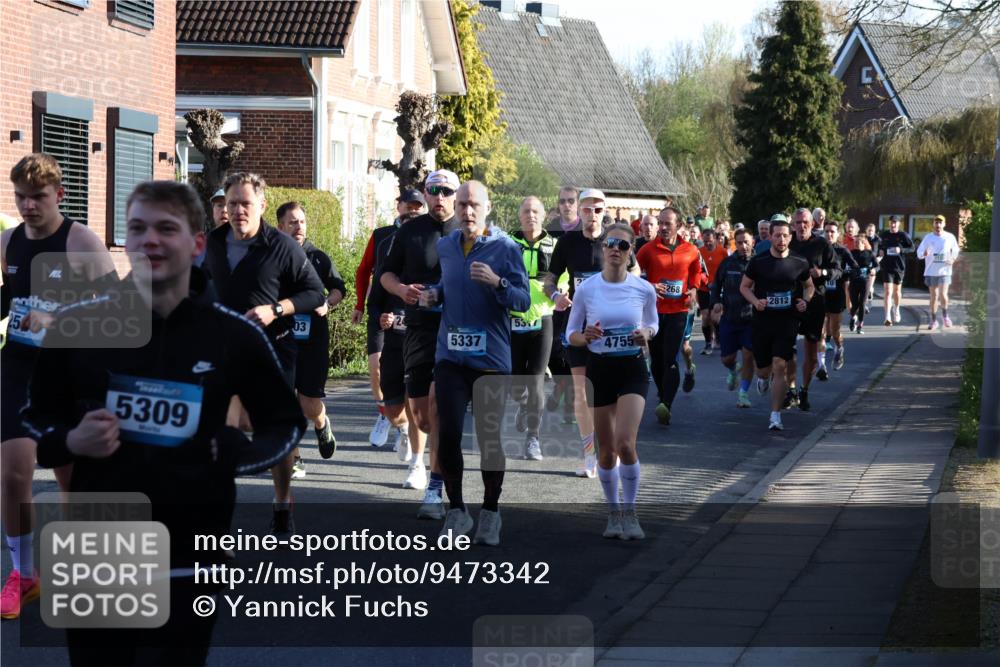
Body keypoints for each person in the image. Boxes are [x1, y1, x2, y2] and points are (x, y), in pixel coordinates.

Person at [23, 180, 305, 664]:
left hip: (190, 547)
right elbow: (36, 417)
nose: (150, 240)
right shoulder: (77, 326)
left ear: (197, 244)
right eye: (137, 228)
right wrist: (71, 440)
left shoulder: (232, 335)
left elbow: (285, 424)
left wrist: (233, 451)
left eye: (166, 229)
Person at [1, 153, 116, 619]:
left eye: (38, 198)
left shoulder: (81, 241)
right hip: (19, 367)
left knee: (72, 478)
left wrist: (61, 317)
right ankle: (24, 574)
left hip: (70, 370)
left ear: (59, 195)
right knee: (12, 473)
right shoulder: (8, 242)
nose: (28, 206)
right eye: (21, 198)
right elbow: (7, 299)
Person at [202, 172, 325, 537]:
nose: (237, 211)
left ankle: (282, 503)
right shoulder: (211, 243)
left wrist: (277, 309)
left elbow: (315, 293)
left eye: (245, 204)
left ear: (262, 205)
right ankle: (217, 518)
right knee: (225, 428)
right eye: (231, 204)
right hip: (225, 350)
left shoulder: (282, 246)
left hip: (273, 348)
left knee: (274, 430)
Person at [425, 181, 530, 546]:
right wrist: (434, 294)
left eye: (474, 205)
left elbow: (522, 300)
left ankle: (490, 511)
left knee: (488, 439)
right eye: (462, 204)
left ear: (488, 208)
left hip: (490, 360)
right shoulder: (446, 246)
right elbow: (447, 285)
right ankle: (457, 509)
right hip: (451, 356)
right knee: (448, 432)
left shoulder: (506, 248)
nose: (467, 212)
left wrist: (498, 282)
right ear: (455, 208)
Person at [568, 224, 657, 540]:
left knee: (625, 444)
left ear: (631, 251)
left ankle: (630, 512)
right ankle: (614, 512)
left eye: (622, 244)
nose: (615, 249)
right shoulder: (587, 289)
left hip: (632, 368)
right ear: (603, 248)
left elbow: (653, 324)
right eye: (610, 243)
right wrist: (585, 336)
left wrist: (646, 333)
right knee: (606, 453)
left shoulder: (644, 289)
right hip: (600, 368)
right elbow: (571, 333)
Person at [381, 170, 460, 519]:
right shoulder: (410, 231)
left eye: (446, 191)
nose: (440, 197)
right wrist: (401, 290)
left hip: (454, 331)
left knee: (440, 410)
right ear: (426, 194)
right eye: (434, 190)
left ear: (455, 196)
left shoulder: (466, 231)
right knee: (423, 418)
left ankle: (435, 489)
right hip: (418, 329)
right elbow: (386, 274)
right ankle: (428, 462)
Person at [545, 188, 623, 477]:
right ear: (579, 211)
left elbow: (635, 274)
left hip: (610, 328)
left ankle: (609, 449)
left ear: (605, 212)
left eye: (598, 210)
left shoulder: (616, 241)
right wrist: (556, 297)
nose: (592, 215)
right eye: (587, 209)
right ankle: (589, 454)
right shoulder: (568, 242)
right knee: (581, 394)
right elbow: (549, 280)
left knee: (607, 393)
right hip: (577, 326)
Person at [275, 201, 347, 476]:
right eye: (293, 222)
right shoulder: (272, 257)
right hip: (281, 338)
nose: (299, 227)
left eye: (302, 221)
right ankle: (294, 458)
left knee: (308, 404)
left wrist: (328, 303)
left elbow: (338, 288)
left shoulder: (318, 257)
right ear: (280, 226)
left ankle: (321, 422)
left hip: (313, 340)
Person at [353, 189, 426, 447]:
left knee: (409, 376)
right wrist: (360, 305)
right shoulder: (382, 236)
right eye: (409, 205)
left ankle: (404, 426)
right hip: (382, 307)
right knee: (376, 368)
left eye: (418, 206)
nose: (413, 209)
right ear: (399, 206)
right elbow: (364, 270)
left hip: (411, 315)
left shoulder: (428, 237)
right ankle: (384, 412)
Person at [740, 218, 814, 431]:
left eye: (785, 235)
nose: (781, 239)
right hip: (763, 321)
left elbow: (809, 286)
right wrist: (756, 302)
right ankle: (763, 379)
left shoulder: (799, 261)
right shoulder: (759, 261)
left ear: (790, 237)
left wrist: (805, 301)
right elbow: (744, 287)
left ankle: (775, 416)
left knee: (780, 365)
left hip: (787, 320)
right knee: (763, 370)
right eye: (777, 235)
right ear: (770, 237)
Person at [636, 206, 704, 426]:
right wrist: (650, 285)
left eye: (668, 223)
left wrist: (693, 288)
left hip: (679, 311)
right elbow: (633, 275)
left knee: (670, 358)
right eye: (661, 223)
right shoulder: (648, 249)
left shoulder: (690, 250)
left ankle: (666, 404)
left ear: (679, 225)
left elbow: (696, 271)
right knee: (656, 360)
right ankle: (664, 393)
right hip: (654, 312)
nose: (663, 227)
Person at [510, 196, 556, 461]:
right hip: (512, 318)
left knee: (536, 379)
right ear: (520, 215)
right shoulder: (507, 243)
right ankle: (523, 403)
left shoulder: (554, 245)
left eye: (536, 211)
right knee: (516, 384)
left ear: (544, 215)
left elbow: (562, 276)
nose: (531, 215)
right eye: (526, 211)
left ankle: (533, 438)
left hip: (542, 318)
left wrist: (561, 292)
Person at [786, 207, 841, 412]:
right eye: (798, 223)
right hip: (790, 302)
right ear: (793, 224)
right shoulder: (786, 242)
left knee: (810, 352)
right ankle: (791, 390)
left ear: (813, 224)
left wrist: (822, 272)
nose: (801, 226)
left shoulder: (822, 244)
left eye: (805, 223)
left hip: (815, 302)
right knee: (787, 349)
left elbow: (837, 270)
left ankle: (804, 390)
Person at [711, 227, 756, 407]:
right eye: (739, 243)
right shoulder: (728, 263)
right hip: (729, 317)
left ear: (753, 242)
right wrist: (716, 302)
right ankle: (733, 369)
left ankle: (743, 394)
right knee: (726, 359)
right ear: (734, 244)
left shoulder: (759, 263)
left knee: (748, 355)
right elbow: (716, 285)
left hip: (751, 319)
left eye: (746, 242)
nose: (743, 246)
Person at [819, 222, 857, 374]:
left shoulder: (843, 251)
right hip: (820, 294)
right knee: (820, 332)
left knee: (835, 331)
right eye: (827, 231)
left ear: (838, 234)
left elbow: (855, 268)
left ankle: (839, 347)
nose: (829, 234)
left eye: (832, 232)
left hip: (837, 296)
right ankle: (821, 366)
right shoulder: (819, 249)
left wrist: (843, 274)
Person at [916, 215, 960, 330]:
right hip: (931, 271)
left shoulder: (950, 237)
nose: (938, 225)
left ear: (944, 224)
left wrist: (952, 259)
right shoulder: (928, 237)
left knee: (943, 294)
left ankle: (945, 316)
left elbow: (956, 250)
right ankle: (934, 320)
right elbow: (919, 252)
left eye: (940, 223)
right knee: (934, 296)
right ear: (933, 224)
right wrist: (923, 254)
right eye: (936, 222)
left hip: (945, 270)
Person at [878, 215, 913, 326]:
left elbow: (912, 248)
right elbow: (879, 246)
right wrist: (880, 251)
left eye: (895, 222)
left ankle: (896, 308)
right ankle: (887, 316)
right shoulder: (884, 235)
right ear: (889, 223)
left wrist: (901, 249)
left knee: (897, 292)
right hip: (887, 266)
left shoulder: (903, 235)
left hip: (899, 267)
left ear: (898, 224)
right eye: (891, 222)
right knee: (888, 291)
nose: (892, 224)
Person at [697, 228, 728, 355]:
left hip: (718, 288)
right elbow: (696, 270)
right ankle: (708, 343)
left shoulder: (722, 252)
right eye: (705, 241)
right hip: (703, 288)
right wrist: (705, 281)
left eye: (709, 241)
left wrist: (721, 283)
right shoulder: (699, 252)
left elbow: (726, 269)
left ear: (715, 239)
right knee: (705, 317)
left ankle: (718, 339)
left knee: (715, 317)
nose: (707, 244)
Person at [846, 221, 877, 335]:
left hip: (865, 281)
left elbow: (876, 265)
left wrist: (872, 269)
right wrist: (848, 271)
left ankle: (860, 325)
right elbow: (846, 265)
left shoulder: (869, 253)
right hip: (854, 281)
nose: (856, 244)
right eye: (855, 242)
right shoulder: (851, 253)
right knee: (854, 304)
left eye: (859, 242)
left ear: (864, 243)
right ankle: (853, 317)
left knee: (862, 303)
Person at [864, 222, 881, 307]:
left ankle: (867, 302)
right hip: (864, 264)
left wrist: (878, 259)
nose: (870, 232)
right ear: (866, 231)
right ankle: (865, 301)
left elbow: (882, 253)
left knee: (869, 285)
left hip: (874, 265)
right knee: (864, 285)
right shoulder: (863, 239)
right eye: (869, 230)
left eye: (872, 230)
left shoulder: (878, 240)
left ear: (874, 231)